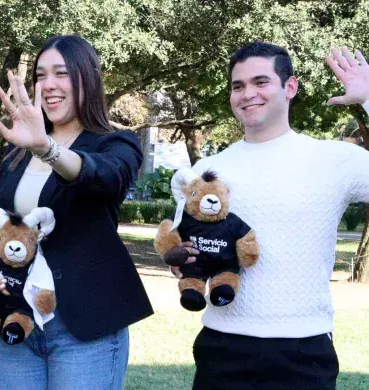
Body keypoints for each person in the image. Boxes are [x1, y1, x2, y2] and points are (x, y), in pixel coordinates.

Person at [171, 42, 369, 389]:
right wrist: (180, 259)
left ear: (289, 87)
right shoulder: (206, 172)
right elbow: (179, 251)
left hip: (304, 350)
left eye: (260, 82)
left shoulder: (333, 160)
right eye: (238, 86)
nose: (248, 94)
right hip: (222, 345)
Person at [0, 35, 153, 389]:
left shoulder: (115, 144)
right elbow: (1, 227)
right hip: (17, 319)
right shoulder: (18, 154)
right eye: (41, 75)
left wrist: (46, 147)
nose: (49, 84)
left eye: (62, 73)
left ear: (86, 78)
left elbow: (105, 177)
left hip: (85, 327)